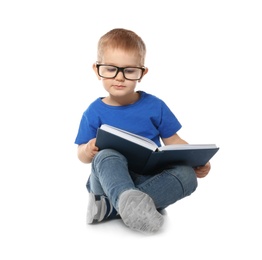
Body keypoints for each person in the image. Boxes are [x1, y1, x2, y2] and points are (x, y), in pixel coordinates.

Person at [74, 28, 211, 234]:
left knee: (187, 176)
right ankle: (128, 202)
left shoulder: (155, 106)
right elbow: (81, 155)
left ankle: (114, 208)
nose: (119, 78)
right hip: (107, 182)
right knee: (107, 156)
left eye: (129, 71)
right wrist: (88, 149)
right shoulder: (93, 112)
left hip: (148, 178)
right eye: (111, 69)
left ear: (142, 73)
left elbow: (173, 140)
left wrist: (196, 161)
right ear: (97, 69)